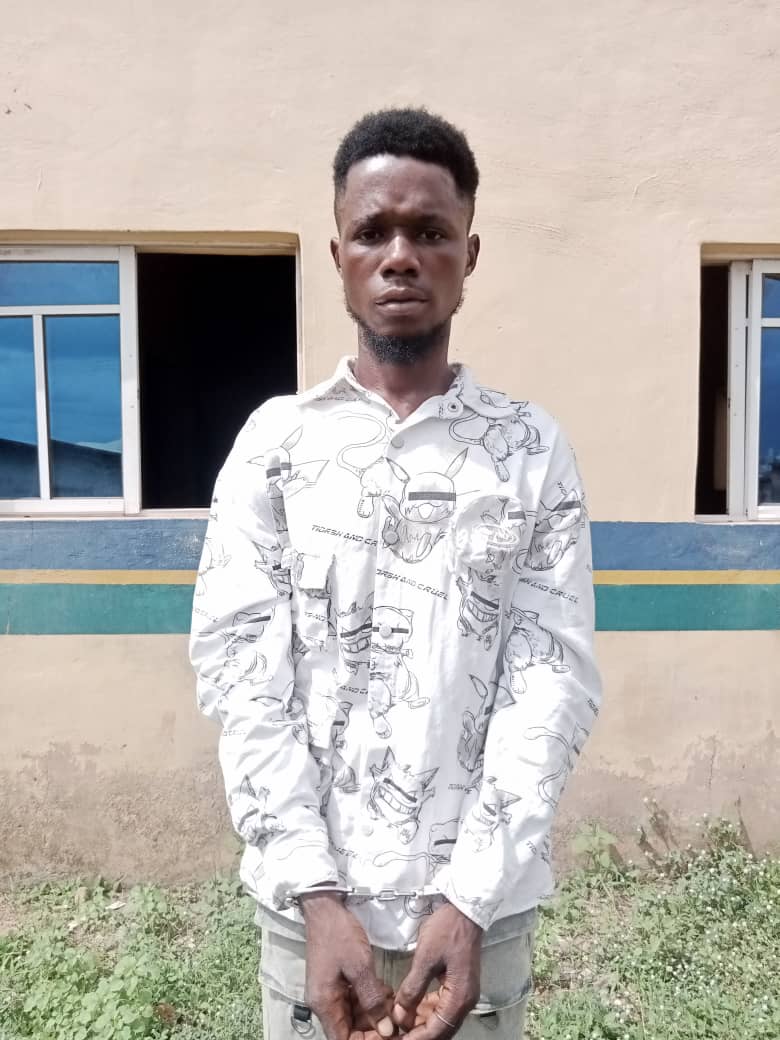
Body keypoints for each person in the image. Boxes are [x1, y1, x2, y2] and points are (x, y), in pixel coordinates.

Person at [190, 107, 601, 1040]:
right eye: (373, 231)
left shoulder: (528, 450)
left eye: (430, 232)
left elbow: (551, 680)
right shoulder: (276, 445)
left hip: (477, 923)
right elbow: (241, 675)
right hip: (308, 918)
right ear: (339, 254)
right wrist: (317, 896)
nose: (401, 256)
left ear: (470, 253)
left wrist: (469, 900)